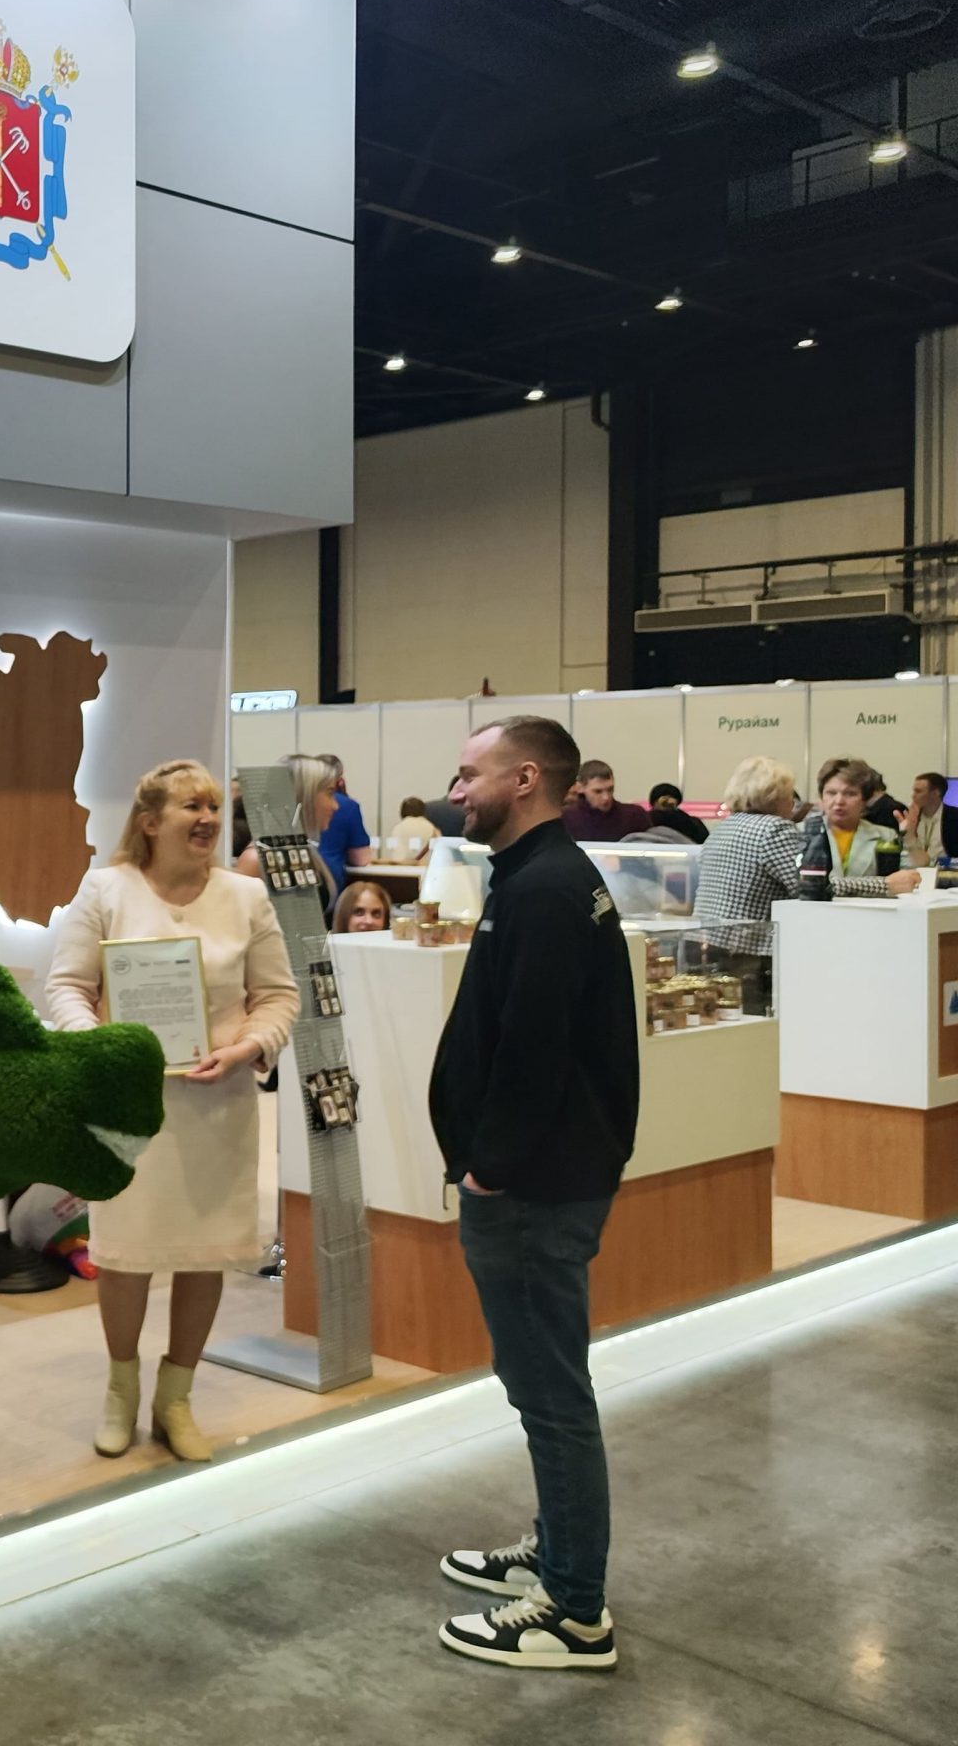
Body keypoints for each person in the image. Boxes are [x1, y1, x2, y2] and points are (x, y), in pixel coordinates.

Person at [429, 715, 638, 1671]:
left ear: (522, 781)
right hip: (543, 1178)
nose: (455, 791)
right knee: (541, 1386)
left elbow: (535, 1049)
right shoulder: (537, 877)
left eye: (468, 774)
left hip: (533, 1187)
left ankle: (574, 1610)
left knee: (551, 1394)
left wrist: (490, 1167)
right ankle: (557, 1550)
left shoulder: (548, 889)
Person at [49, 762, 299, 1465]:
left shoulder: (247, 897)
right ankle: (120, 1392)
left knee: (204, 1255)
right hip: (129, 1113)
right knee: (123, 1255)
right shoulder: (106, 889)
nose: (209, 818)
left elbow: (279, 996)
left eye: (215, 806)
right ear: (150, 821)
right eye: (193, 806)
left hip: (218, 1108)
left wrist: (249, 1045)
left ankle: (175, 1399)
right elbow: (67, 987)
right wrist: (100, 1049)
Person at [693, 757, 806, 1012]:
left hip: (703, 945)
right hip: (746, 956)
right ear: (775, 796)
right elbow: (808, 887)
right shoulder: (776, 829)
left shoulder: (722, 829)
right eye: (790, 795)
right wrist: (882, 885)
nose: (793, 802)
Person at [806, 757, 919, 897]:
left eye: (850, 794)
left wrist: (910, 839)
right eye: (831, 793)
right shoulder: (800, 833)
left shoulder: (886, 836)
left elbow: (911, 877)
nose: (839, 801)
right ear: (821, 797)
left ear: (865, 800)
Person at [236, 755, 341, 905]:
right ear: (303, 796)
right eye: (329, 793)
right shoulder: (256, 861)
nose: (335, 806)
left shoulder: (303, 849)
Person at [312, 753, 373, 888]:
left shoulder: (290, 802)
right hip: (329, 883)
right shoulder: (348, 806)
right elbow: (361, 858)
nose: (335, 806)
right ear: (340, 780)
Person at [560, 761, 652, 842]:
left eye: (610, 789)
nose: (606, 797)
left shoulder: (635, 816)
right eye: (598, 791)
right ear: (580, 788)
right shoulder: (566, 819)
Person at [902, 772, 947, 866]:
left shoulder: (954, 817)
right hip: (915, 866)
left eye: (918, 791)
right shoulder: (910, 816)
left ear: (935, 793)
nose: (913, 795)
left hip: (947, 870)